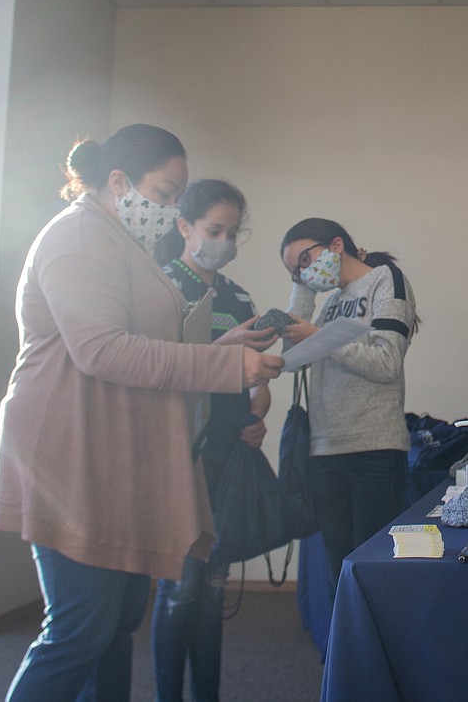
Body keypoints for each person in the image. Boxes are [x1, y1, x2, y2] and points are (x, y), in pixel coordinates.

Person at [0, 125, 284, 702]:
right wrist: (223, 371)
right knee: (81, 628)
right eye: (166, 191)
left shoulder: (119, 240)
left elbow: (146, 341)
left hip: (109, 448)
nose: (173, 207)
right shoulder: (79, 238)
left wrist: (220, 353)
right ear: (119, 182)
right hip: (70, 452)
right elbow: (102, 349)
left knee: (116, 624)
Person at [150, 179, 274, 702]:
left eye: (231, 232)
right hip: (178, 453)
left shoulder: (236, 294)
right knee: (179, 589)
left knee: (214, 587)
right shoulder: (160, 287)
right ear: (184, 227)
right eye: (213, 230)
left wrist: (258, 414)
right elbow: (155, 366)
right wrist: (222, 348)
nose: (223, 241)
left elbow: (257, 382)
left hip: (228, 449)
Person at [279, 218, 417, 592]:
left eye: (305, 260)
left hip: (373, 445)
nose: (305, 272)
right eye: (296, 271)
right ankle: (341, 651)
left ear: (336, 245)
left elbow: (386, 363)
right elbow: (292, 361)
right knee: (336, 568)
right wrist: (302, 296)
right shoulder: (329, 307)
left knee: (372, 572)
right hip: (325, 448)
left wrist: (320, 337)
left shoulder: (385, 279)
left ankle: (371, 652)